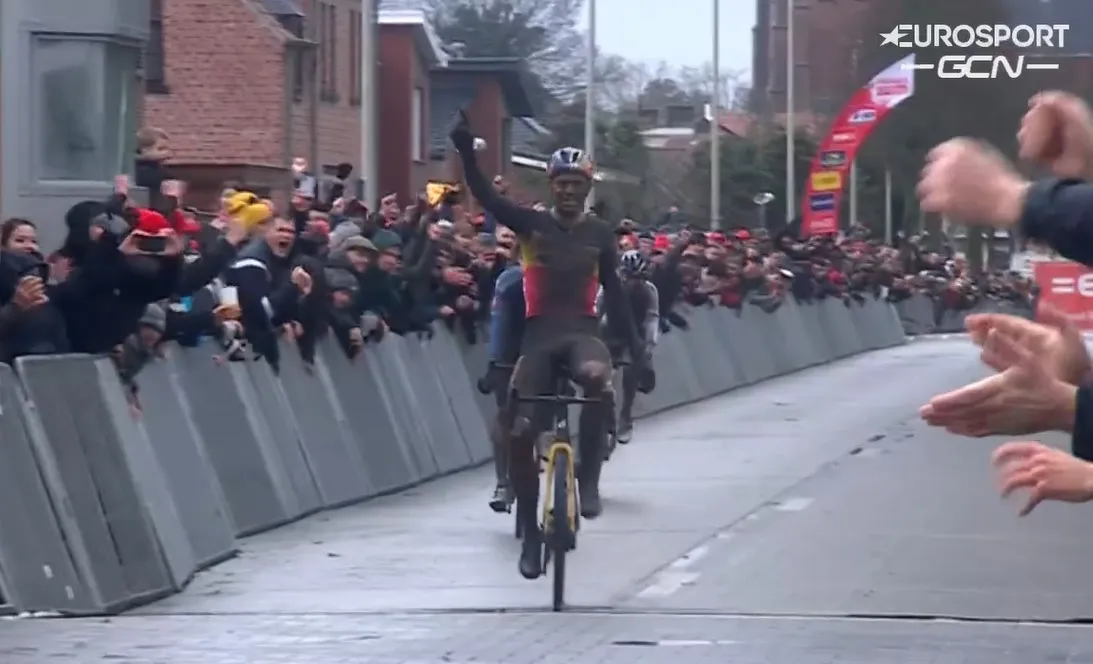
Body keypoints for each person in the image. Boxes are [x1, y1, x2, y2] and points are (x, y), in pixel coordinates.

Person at [450, 111, 645, 581]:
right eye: (561, 182)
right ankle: (532, 535)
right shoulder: (530, 223)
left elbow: (616, 298)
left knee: (598, 381)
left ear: (587, 186)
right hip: (538, 336)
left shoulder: (600, 234)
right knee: (519, 430)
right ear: (551, 185)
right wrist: (464, 153)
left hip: (581, 332)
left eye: (577, 183)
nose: (569, 190)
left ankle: (590, 480)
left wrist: (638, 354)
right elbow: (487, 197)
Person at [597, 249, 659, 444]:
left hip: (636, 333)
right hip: (611, 329)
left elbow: (652, 317)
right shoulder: (609, 287)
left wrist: (650, 344)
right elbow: (596, 311)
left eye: (638, 278)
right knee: (605, 375)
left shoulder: (649, 290)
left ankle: (626, 415)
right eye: (629, 277)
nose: (633, 282)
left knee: (633, 369)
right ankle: (606, 414)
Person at [484, 261, 524, 513]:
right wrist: (494, 362)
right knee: (505, 412)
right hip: (513, 346)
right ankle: (502, 480)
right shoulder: (510, 281)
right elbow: (499, 325)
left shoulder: (570, 274)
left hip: (553, 341)